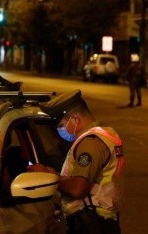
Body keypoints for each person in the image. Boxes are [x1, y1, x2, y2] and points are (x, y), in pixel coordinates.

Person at [33, 90, 124, 234]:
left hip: (91, 222)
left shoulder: (90, 143)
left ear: (75, 119)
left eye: (61, 125)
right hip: (100, 220)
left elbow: (77, 189)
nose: (59, 130)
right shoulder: (105, 134)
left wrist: (48, 176)